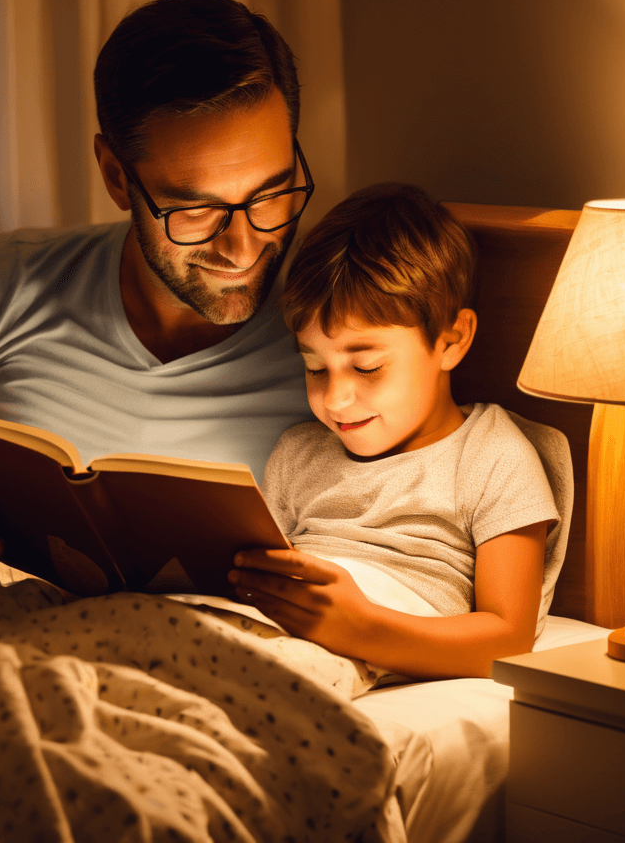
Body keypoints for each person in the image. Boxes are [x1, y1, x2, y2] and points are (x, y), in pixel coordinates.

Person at [0, 0, 317, 573]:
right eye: (195, 211)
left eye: (272, 193)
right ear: (116, 177)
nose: (244, 245)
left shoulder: (356, 338)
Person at [227, 184, 567, 680]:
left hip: (362, 637)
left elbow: (508, 637)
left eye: (366, 368)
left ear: (451, 341)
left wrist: (361, 628)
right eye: (315, 368)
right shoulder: (298, 452)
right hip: (266, 625)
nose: (335, 399)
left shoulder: (493, 457)